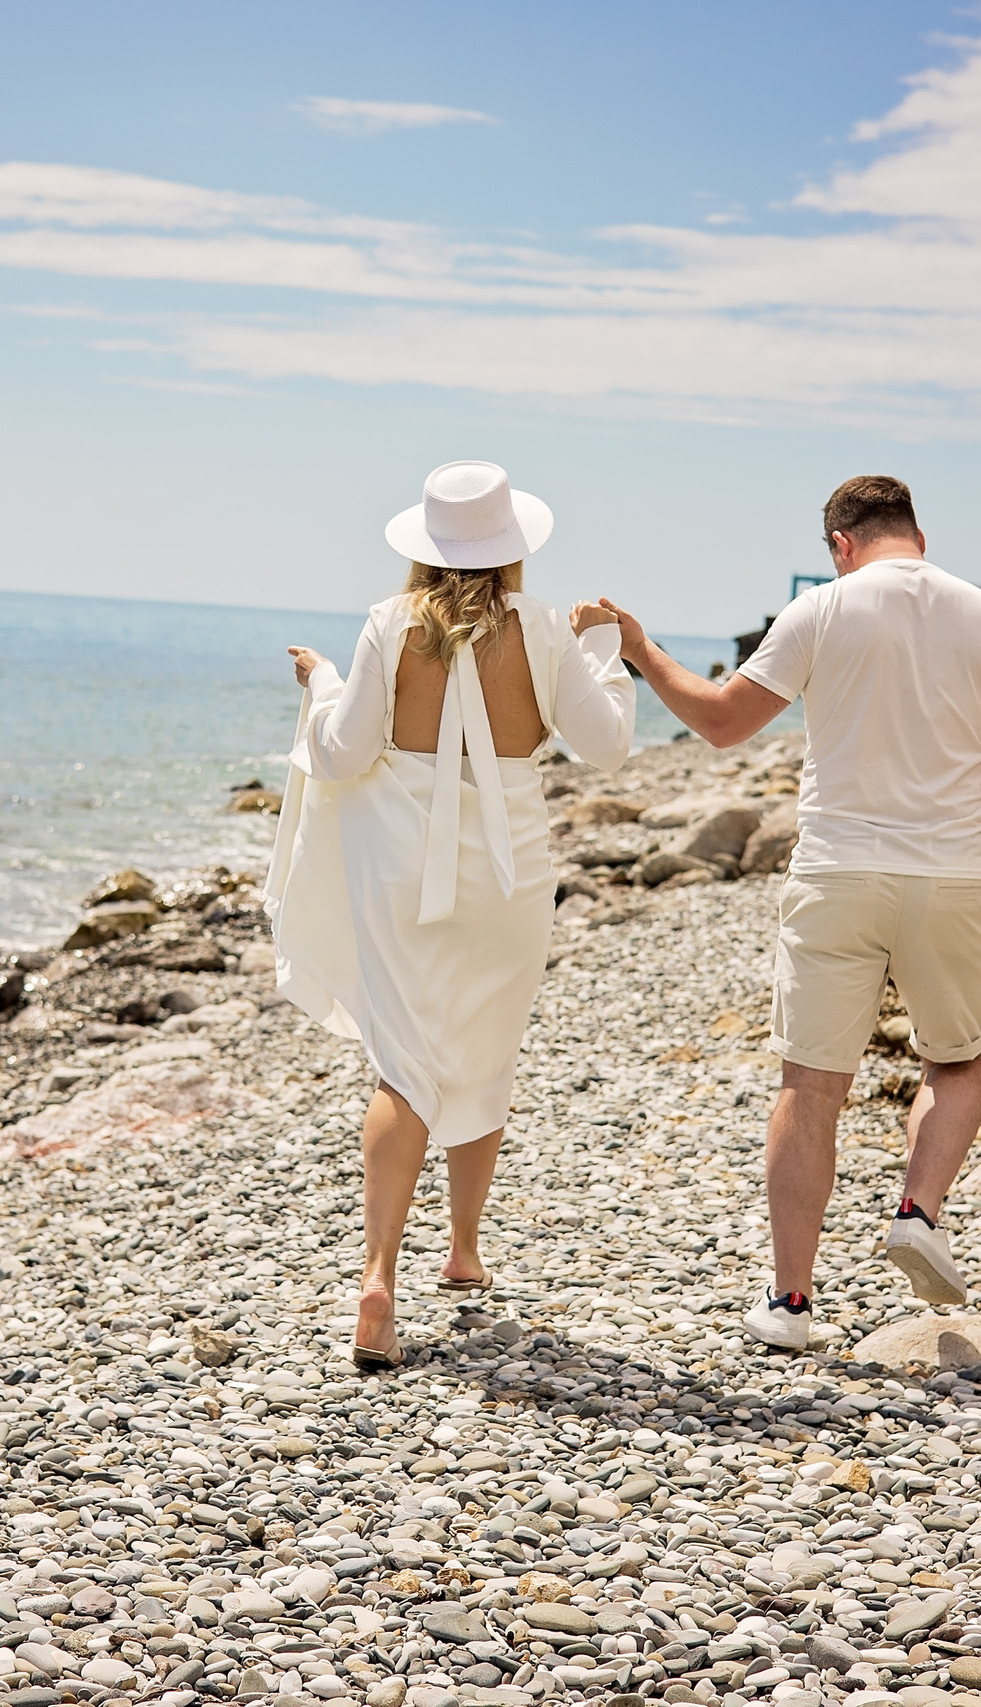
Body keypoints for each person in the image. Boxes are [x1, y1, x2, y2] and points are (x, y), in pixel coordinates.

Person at [595, 475, 981, 1350]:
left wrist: (641, 648)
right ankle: (918, 1208)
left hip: (836, 873)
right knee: (957, 1060)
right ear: (919, 535)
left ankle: (791, 1305)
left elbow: (720, 722)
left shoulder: (820, 612)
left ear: (840, 544)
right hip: (947, 878)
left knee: (812, 1083)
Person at [267, 461, 638, 1372]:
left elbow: (346, 750)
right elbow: (609, 749)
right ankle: (464, 1249)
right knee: (485, 1046)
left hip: (402, 871)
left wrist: (317, 683)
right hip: (510, 882)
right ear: (512, 547)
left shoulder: (389, 626)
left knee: (405, 1065)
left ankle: (379, 1277)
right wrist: (601, 651)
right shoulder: (547, 630)